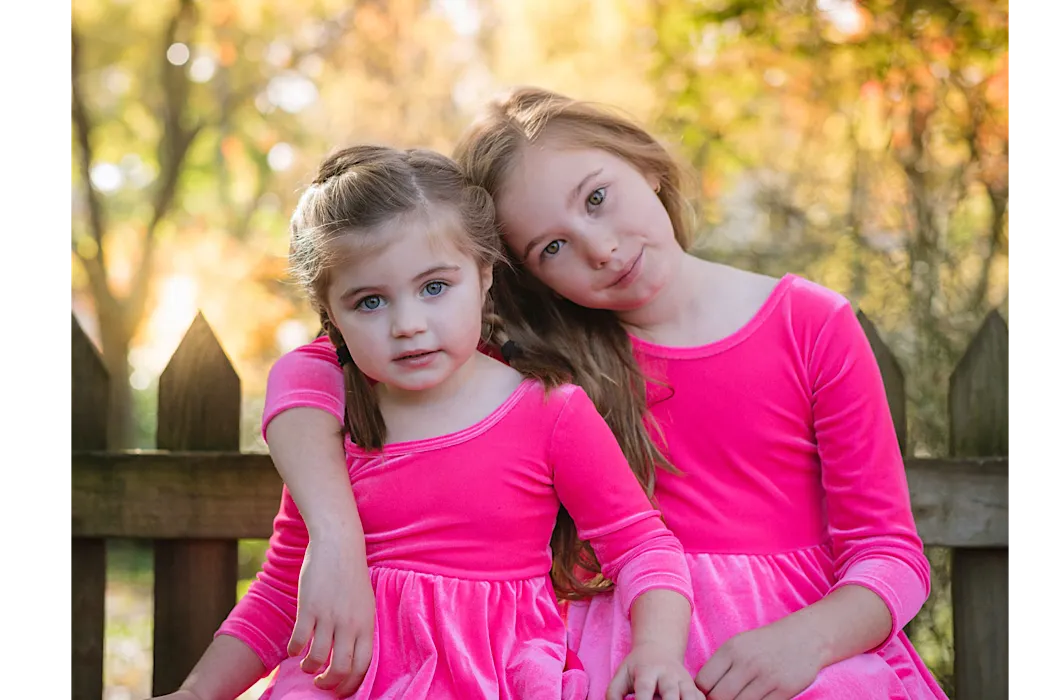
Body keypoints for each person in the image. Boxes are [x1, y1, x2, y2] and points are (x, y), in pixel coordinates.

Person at [255, 87, 949, 700]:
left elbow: (891, 552)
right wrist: (337, 539)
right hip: (610, 640)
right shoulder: (532, 355)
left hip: (791, 634)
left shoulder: (810, 322)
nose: (598, 248)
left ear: (644, 163)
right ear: (520, 274)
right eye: (551, 247)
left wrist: (810, 643)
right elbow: (312, 367)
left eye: (597, 198)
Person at [147, 144, 702, 700]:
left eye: (435, 287)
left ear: (485, 276)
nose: (408, 325)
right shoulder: (336, 432)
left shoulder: (548, 410)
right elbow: (280, 592)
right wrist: (197, 693)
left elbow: (642, 547)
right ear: (331, 314)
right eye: (369, 302)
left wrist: (656, 651)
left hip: (493, 681)